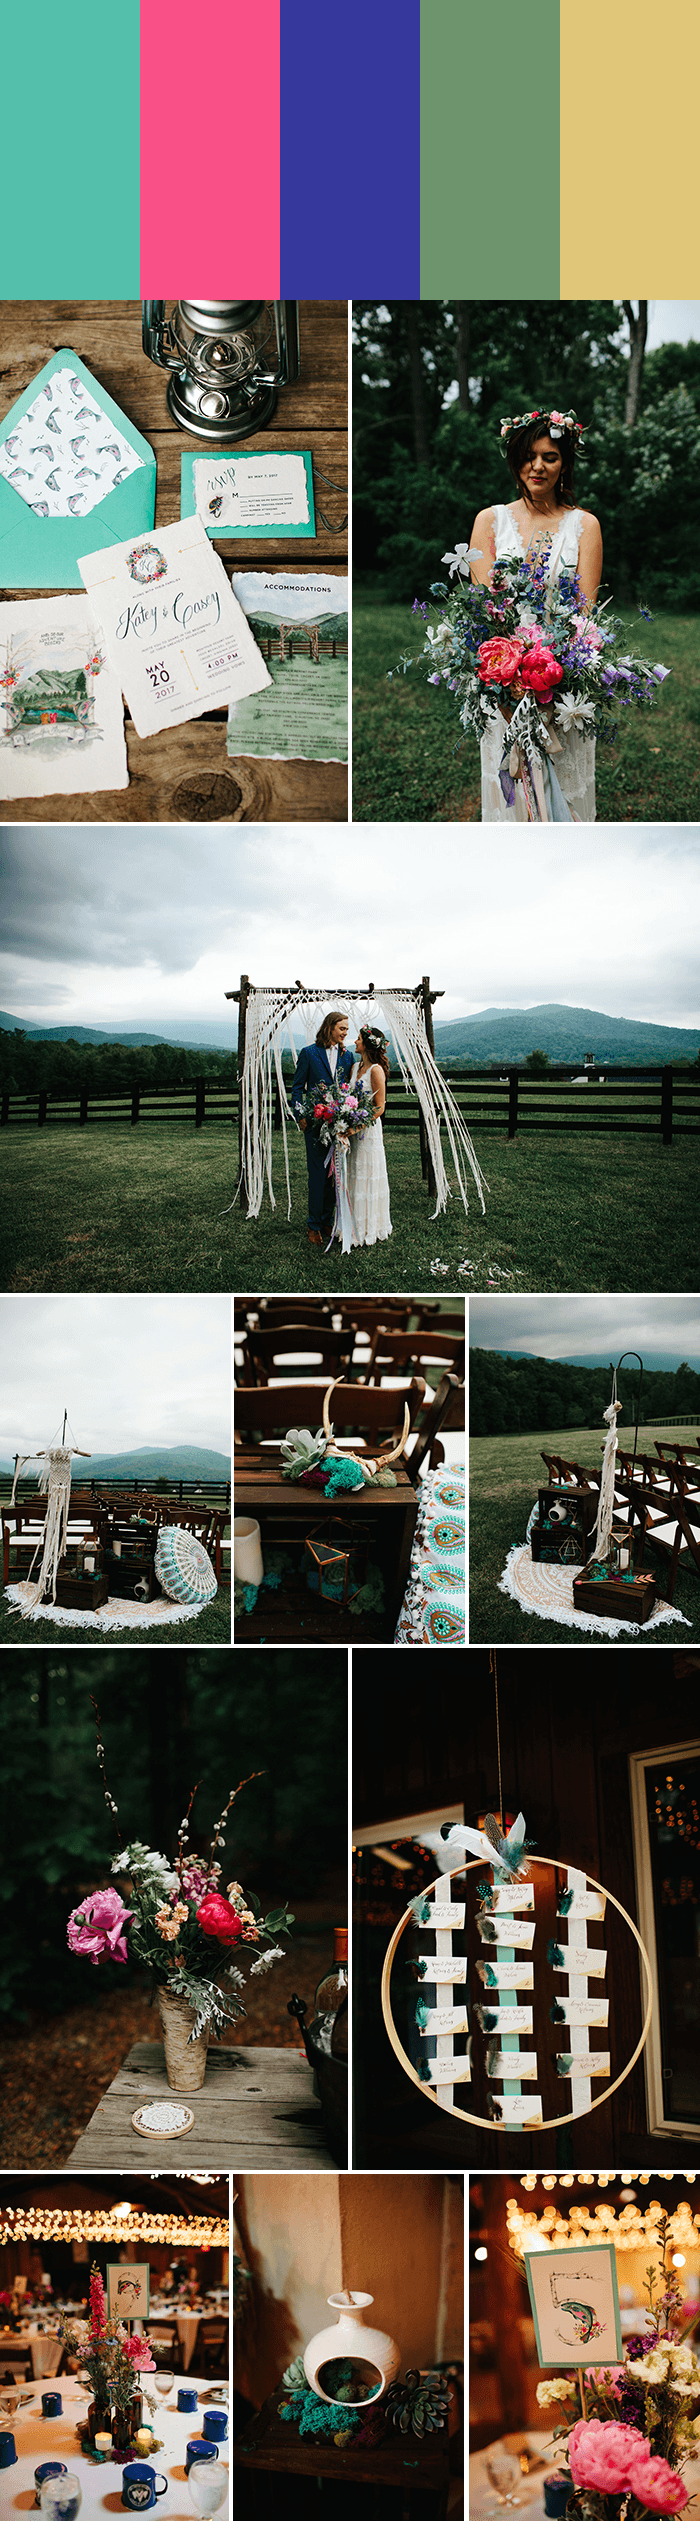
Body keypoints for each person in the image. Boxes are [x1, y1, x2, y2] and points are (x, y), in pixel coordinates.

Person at [470, 407, 603, 821]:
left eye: (550, 456)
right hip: (502, 683)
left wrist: (554, 677)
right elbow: (481, 610)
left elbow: (585, 612)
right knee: (512, 792)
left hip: (561, 681)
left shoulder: (585, 525)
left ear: (564, 464)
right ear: (515, 459)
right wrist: (507, 681)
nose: (538, 466)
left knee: (562, 784)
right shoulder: (489, 521)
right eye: (530, 455)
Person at [291, 1010, 354, 1248]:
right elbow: (297, 1088)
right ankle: (313, 1225)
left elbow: (348, 1089)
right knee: (318, 1176)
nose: (345, 1033)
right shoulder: (309, 1053)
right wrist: (300, 1115)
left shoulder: (347, 1057)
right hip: (315, 1125)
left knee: (335, 1177)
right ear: (330, 1027)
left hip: (338, 1125)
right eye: (342, 1028)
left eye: (347, 1029)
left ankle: (328, 1220)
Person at [346, 1025, 392, 1248]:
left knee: (367, 1172)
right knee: (353, 1172)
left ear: (367, 1044)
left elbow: (380, 1107)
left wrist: (357, 1126)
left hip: (368, 1131)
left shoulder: (376, 1070)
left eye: (358, 1039)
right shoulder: (355, 1067)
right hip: (352, 1129)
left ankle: (368, 1227)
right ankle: (350, 1223)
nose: (355, 1042)